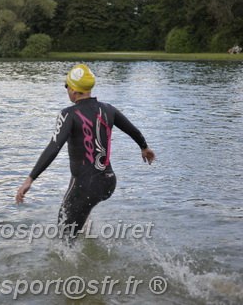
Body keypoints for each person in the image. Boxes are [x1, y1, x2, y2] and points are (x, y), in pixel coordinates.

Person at [16, 64, 155, 244]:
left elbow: (54, 146)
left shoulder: (69, 114)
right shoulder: (109, 109)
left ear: (74, 89)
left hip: (86, 186)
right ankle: (84, 229)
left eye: (67, 86)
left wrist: (30, 179)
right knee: (80, 209)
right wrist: (144, 148)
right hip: (108, 182)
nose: (67, 90)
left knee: (63, 237)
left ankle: (73, 267)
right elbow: (133, 131)